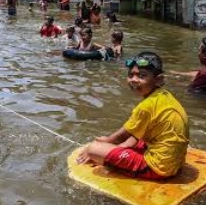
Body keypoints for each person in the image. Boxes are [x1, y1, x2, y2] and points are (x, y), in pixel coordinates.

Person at [76, 52, 189, 180]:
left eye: (142, 76)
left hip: (159, 169)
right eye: (130, 75)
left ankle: (108, 157)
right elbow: (134, 134)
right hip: (175, 164)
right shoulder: (163, 96)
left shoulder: (147, 106)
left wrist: (102, 146)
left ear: (159, 80)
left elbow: (120, 136)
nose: (134, 80)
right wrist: (116, 147)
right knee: (126, 141)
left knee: (94, 148)